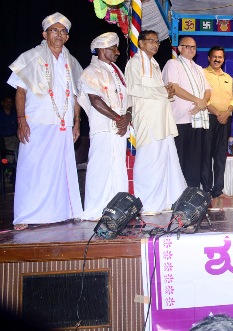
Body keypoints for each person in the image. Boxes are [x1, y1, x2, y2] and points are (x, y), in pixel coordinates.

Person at [7, 12, 84, 230]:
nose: (59, 35)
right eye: (54, 30)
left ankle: (60, 212)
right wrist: (21, 120)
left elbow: (76, 95)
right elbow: (20, 91)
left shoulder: (72, 62)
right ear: (44, 34)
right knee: (31, 168)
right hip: (36, 122)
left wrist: (77, 121)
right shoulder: (31, 57)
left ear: (67, 37)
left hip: (63, 124)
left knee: (59, 170)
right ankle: (24, 215)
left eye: (63, 31)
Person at [125, 30, 186, 214]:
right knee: (149, 160)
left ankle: (165, 200)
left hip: (161, 118)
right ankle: (147, 203)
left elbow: (157, 91)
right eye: (150, 41)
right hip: (147, 118)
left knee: (164, 160)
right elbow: (133, 88)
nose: (155, 44)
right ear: (141, 43)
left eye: (157, 41)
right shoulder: (135, 63)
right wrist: (162, 92)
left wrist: (166, 92)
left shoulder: (154, 63)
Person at [78, 32, 131, 220]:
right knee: (100, 169)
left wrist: (127, 117)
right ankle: (95, 210)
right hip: (102, 128)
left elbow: (128, 99)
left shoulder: (117, 71)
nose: (118, 52)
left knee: (118, 169)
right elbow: (95, 100)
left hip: (119, 128)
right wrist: (118, 118)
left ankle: (118, 209)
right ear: (101, 49)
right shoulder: (90, 71)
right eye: (113, 48)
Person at [162, 36, 211, 190]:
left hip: (197, 120)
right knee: (179, 159)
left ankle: (192, 192)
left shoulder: (198, 68)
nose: (191, 49)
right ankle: (176, 193)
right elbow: (174, 88)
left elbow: (208, 90)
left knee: (195, 160)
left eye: (193, 47)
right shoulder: (173, 64)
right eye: (187, 46)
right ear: (179, 48)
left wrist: (203, 102)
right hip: (179, 121)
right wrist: (198, 100)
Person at [203, 46, 233, 199]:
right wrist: (217, 113)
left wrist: (227, 112)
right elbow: (202, 97)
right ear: (209, 58)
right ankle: (206, 189)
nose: (217, 59)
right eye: (214, 57)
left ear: (223, 59)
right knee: (206, 154)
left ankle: (218, 190)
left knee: (220, 156)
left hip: (225, 119)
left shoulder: (228, 77)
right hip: (209, 118)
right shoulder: (202, 74)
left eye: (220, 57)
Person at [0, 96, 18, 162]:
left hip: (12, 139)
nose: (9, 103)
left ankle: (8, 167)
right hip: (1, 138)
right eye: (7, 101)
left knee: (9, 158)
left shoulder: (16, 114)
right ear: (2, 103)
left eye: (10, 102)